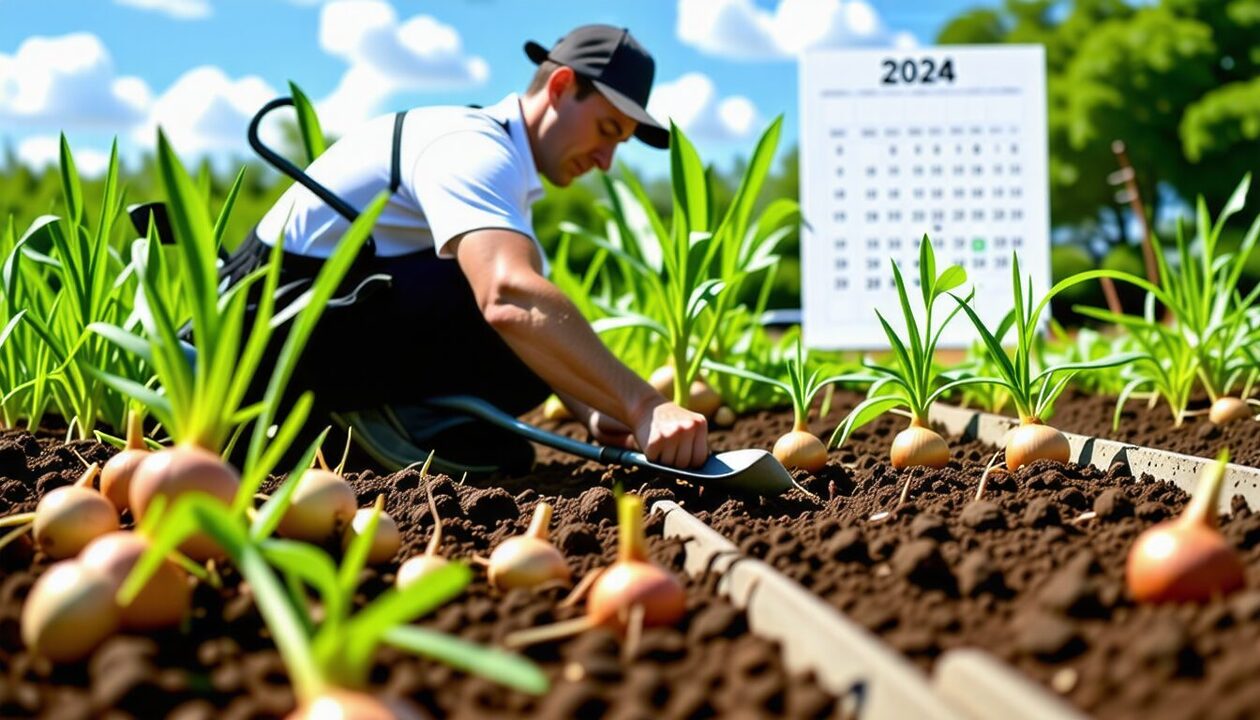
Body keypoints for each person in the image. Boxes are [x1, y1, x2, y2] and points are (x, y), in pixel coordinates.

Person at [222, 24, 709, 475]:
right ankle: (359, 422)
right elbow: (508, 297)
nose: (606, 161)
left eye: (620, 144)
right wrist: (645, 405)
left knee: (529, 339)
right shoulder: (472, 148)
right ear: (560, 86)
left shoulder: (498, 161)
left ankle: (373, 420)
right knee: (507, 294)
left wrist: (598, 408)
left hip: (313, 317)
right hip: (268, 318)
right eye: (607, 130)